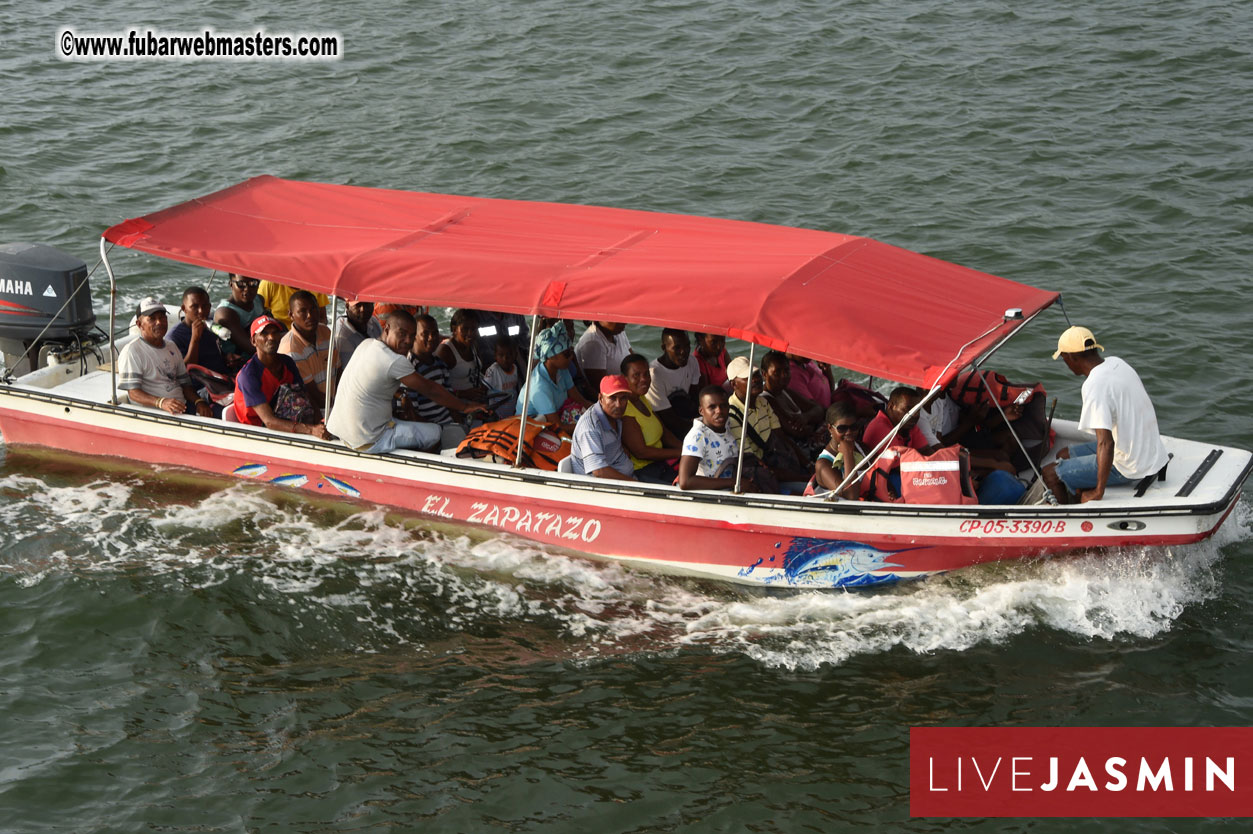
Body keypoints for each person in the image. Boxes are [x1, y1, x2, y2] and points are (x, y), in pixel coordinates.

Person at [327, 310, 489, 453]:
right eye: (402, 334)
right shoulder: (393, 360)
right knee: (436, 432)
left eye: (412, 336)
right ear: (387, 329)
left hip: (341, 430)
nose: (407, 341)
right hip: (368, 440)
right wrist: (466, 406)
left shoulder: (366, 344)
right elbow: (430, 390)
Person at [1041, 326, 1169, 504]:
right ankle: (1078, 491)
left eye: (1064, 358)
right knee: (1063, 454)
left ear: (1072, 357)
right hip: (1150, 452)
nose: (1065, 363)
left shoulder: (1094, 385)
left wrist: (1097, 492)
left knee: (1050, 474)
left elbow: (1105, 442)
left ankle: (1065, 517)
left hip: (1129, 465)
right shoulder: (1117, 363)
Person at [232, 315, 331, 438]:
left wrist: (320, 422)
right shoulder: (248, 375)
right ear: (253, 341)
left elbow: (305, 395)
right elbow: (269, 421)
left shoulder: (287, 362)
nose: (271, 337)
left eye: (275, 333)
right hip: (258, 432)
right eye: (264, 333)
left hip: (287, 419)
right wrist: (311, 430)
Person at [118, 297, 214, 417]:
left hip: (182, 407)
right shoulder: (132, 351)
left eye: (162, 317)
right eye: (152, 319)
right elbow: (133, 392)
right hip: (159, 414)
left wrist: (199, 402)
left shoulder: (171, 346)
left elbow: (185, 384)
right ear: (139, 324)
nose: (159, 322)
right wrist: (161, 402)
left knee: (219, 413)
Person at [726, 355, 811, 483]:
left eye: (756, 374)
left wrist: (808, 464)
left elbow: (782, 437)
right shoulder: (731, 415)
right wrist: (804, 478)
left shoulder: (763, 403)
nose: (755, 380)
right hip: (757, 473)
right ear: (734, 384)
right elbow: (754, 462)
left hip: (773, 461)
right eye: (748, 377)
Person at [620, 354, 684, 484]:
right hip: (644, 471)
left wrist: (686, 449)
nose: (644, 379)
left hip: (660, 464)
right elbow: (641, 452)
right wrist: (679, 453)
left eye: (646, 374)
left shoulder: (641, 398)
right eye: (636, 375)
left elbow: (663, 432)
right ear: (624, 379)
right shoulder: (626, 409)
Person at [516, 322, 592, 423]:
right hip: (531, 427)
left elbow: (579, 399)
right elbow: (557, 426)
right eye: (566, 354)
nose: (571, 357)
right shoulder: (539, 387)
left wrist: (599, 410)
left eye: (571, 351)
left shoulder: (562, 370)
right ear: (551, 356)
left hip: (556, 415)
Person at [278, 290, 340, 410]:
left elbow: (338, 371)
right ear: (291, 315)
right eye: (303, 311)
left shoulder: (326, 332)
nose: (310, 316)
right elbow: (311, 393)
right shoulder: (290, 349)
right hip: (312, 410)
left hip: (335, 402)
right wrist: (337, 407)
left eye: (313, 309)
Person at [569, 375, 636, 480]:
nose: (618, 404)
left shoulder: (614, 416)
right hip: (602, 488)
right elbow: (599, 472)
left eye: (623, 398)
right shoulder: (590, 427)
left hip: (625, 478)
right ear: (600, 398)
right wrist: (634, 484)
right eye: (612, 398)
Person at [678, 386, 740, 491]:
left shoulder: (727, 425)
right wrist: (735, 482)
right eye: (712, 407)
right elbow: (685, 482)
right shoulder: (697, 436)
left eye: (723, 406)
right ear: (701, 411)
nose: (719, 411)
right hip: (710, 499)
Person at [760, 350, 825, 447]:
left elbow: (820, 409)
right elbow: (797, 431)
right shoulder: (765, 399)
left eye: (786, 371)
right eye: (777, 373)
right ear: (764, 374)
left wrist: (805, 417)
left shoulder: (785, 391)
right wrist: (812, 420)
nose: (783, 376)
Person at [646, 328, 700, 437]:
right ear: (664, 348)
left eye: (687, 346)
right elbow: (669, 419)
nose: (683, 352)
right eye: (677, 348)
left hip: (686, 417)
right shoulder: (654, 374)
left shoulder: (692, 361)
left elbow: (695, 397)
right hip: (666, 426)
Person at [167, 285, 230, 378]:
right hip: (202, 385)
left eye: (205, 306)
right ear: (184, 309)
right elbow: (183, 371)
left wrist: (227, 357)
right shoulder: (175, 337)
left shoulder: (212, 325)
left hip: (222, 376)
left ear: (209, 307)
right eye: (194, 307)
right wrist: (195, 339)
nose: (201, 311)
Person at [812, 400, 867, 499]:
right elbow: (851, 496)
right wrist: (848, 454)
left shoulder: (862, 448)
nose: (849, 432)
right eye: (842, 428)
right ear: (830, 428)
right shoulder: (824, 464)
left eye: (854, 427)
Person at [435, 309, 487, 401]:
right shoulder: (446, 351)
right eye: (465, 329)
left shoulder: (473, 345)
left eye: (474, 329)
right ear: (454, 329)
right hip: (458, 406)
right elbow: (436, 388)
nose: (470, 333)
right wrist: (463, 394)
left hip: (476, 403)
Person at [214, 274, 269, 361]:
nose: (247, 289)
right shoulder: (225, 313)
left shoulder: (259, 300)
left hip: (263, 348)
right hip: (241, 362)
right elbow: (251, 348)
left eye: (253, 283)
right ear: (231, 285)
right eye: (241, 284)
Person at [862, 387, 932, 452]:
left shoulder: (907, 424)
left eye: (918, 410)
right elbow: (898, 464)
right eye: (908, 409)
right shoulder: (880, 428)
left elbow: (926, 451)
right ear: (891, 406)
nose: (915, 414)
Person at [574, 321, 632, 391]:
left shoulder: (619, 332)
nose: (624, 322)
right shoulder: (593, 343)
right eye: (615, 318)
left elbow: (633, 360)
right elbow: (601, 389)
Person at [256, 280, 328, 329]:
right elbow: (259, 318)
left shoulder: (316, 283)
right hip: (279, 334)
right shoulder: (269, 283)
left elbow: (323, 318)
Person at [332, 299, 382, 367]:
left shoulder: (373, 321)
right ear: (347, 306)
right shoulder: (341, 335)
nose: (363, 309)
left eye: (367, 304)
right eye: (358, 305)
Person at [483, 335, 520, 418]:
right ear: (495, 356)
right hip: (497, 412)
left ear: (515, 355)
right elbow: (484, 391)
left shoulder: (515, 368)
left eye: (509, 355)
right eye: (501, 355)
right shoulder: (493, 371)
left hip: (511, 409)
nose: (505, 359)